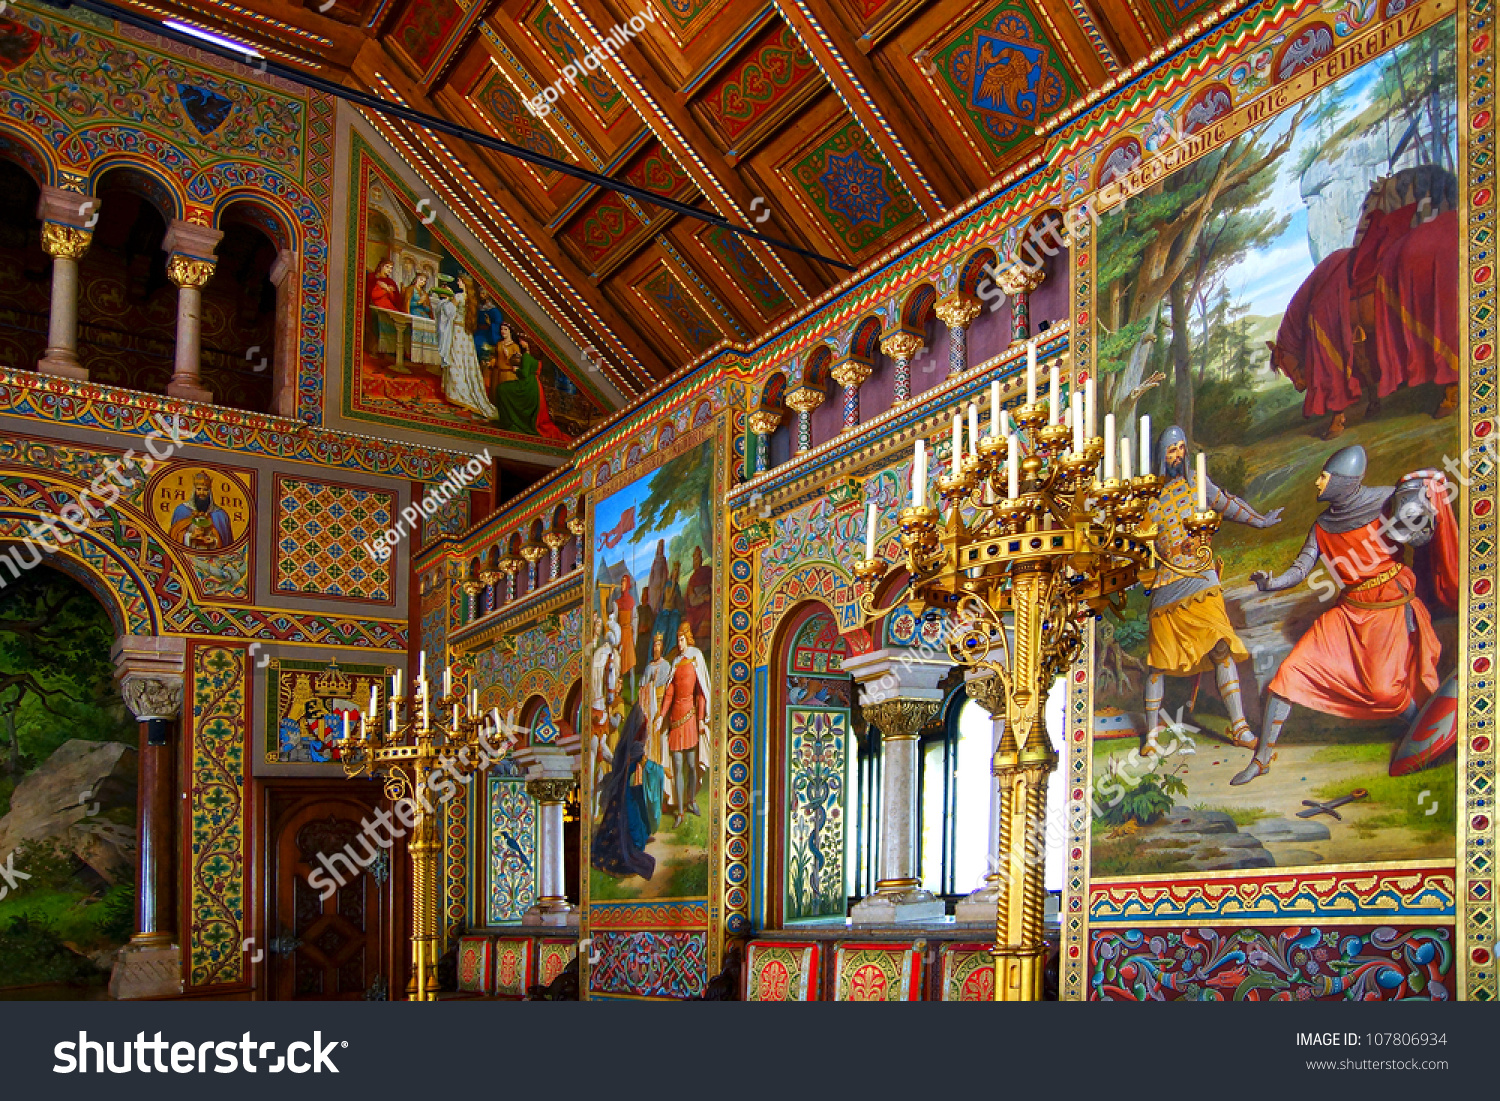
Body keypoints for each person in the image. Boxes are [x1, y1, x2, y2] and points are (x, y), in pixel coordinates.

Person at [1231, 446, 1457, 785]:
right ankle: (1261, 759)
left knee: (1386, 693)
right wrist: (1272, 583)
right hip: (1348, 612)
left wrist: (1421, 502)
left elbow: (1423, 532)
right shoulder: (1322, 525)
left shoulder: (1387, 500)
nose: (1317, 483)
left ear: (1344, 480)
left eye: (1324, 477)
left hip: (1389, 609)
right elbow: (1300, 569)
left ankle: (1423, 736)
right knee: (1289, 675)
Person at [1141, 426, 1282, 755]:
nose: (1176, 455)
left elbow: (1227, 503)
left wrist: (1259, 521)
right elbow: (1136, 542)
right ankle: (1150, 738)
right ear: (1161, 456)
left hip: (1202, 577)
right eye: (1170, 450)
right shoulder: (1148, 499)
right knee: (1157, 664)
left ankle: (1241, 728)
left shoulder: (1197, 484)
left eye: (1180, 449)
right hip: (1166, 583)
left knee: (1221, 647)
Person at [589, 699, 656, 880]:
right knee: (631, 818)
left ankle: (635, 843)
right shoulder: (635, 747)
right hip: (626, 791)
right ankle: (633, 848)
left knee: (629, 817)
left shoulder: (626, 745)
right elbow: (644, 765)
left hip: (625, 789)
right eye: (644, 728)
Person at [657, 623, 711, 823]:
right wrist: (662, 715)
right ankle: (679, 810)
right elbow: (670, 693)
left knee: (691, 763)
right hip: (676, 719)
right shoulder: (676, 661)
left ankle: (691, 799)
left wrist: (701, 720)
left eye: (682, 639)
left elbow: (701, 692)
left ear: (688, 638)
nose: (679, 643)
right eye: (677, 639)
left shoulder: (695, 657)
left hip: (690, 717)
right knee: (677, 765)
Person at [434, 276, 499, 420]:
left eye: (459, 281)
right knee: (466, 362)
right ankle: (466, 393)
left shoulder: (458, 296)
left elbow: (449, 312)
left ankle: (459, 395)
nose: (458, 282)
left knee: (456, 362)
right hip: (466, 335)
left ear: (463, 283)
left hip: (457, 332)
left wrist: (445, 298)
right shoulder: (472, 299)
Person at [493, 330, 568, 441]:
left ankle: (510, 422)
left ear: (528, 343)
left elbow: (523, 374)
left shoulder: (527, 357)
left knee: (502, 389)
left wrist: (516, 370)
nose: (521, 342)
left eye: (522, 341)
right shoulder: (537, 357)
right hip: (536, 386)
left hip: (526, 385)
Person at [638, 632, 676, 821]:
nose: (656, 648)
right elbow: (642, 690)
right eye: (654, 646)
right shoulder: (648, 668)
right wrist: (649, 687)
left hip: (661, 714)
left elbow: (669, 691)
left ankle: (665, 795)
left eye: (659, 645)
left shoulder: (666, 666)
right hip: (649, 713)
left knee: (662, 751)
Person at [170, 471, 234, 551]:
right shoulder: (182, 510)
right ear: (194, 490)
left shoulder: (220, 514)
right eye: (199, 489)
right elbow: (174, 537)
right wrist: (190, 536)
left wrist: (214, 541)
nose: (202, 493)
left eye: (205, 490)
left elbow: (226, 543)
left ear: (209, 492)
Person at [684, 545, 712, 648]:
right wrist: (703, 598)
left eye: (698, 557)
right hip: (696, 608)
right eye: (695, 558)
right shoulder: (692, 579)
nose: (696, 561)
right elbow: (692, 601)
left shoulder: (707, 571)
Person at [616, 571, 637, 694]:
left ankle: (633, 697)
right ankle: (619, 695)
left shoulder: (631, 602)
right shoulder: (617, 603)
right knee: (619, 668)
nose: (622, 583)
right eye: (621, 581)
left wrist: (634, 640)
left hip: (628, 635)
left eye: (624, 581)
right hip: (621, 635)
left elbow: (634, 620)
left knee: (631, 668)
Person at [634, 585, 657, 673]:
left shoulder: (648, 609)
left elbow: (650, 623)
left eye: (645, 595)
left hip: (645, 636)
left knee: (643, 651)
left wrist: (645, 628)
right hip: (638, 635)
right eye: (643, 594)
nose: (643, 597)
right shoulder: (638, 609)